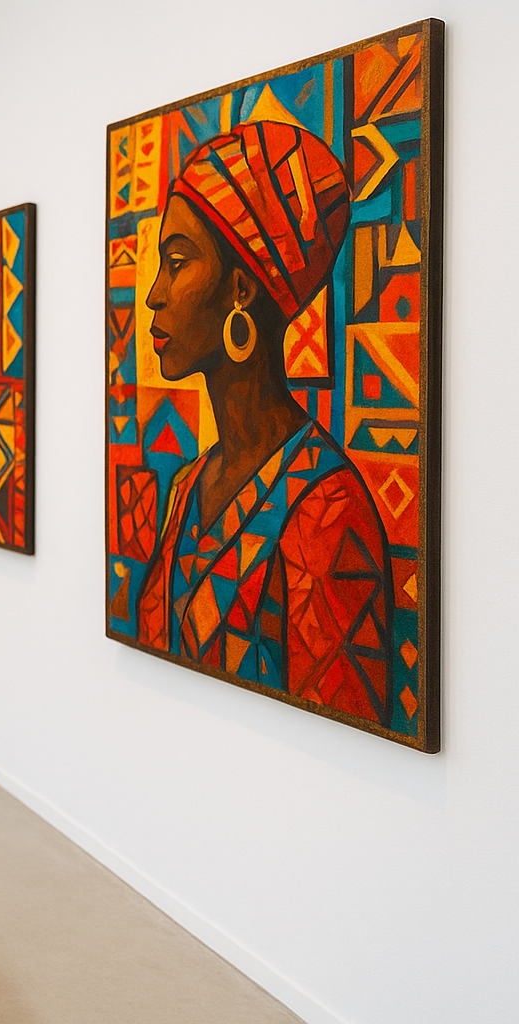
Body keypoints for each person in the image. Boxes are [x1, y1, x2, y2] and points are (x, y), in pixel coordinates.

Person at [137, 121, 396, 726]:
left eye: (177, 263)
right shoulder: (188, 489)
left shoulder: (325, 509)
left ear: (242, 287)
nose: (153, 294)